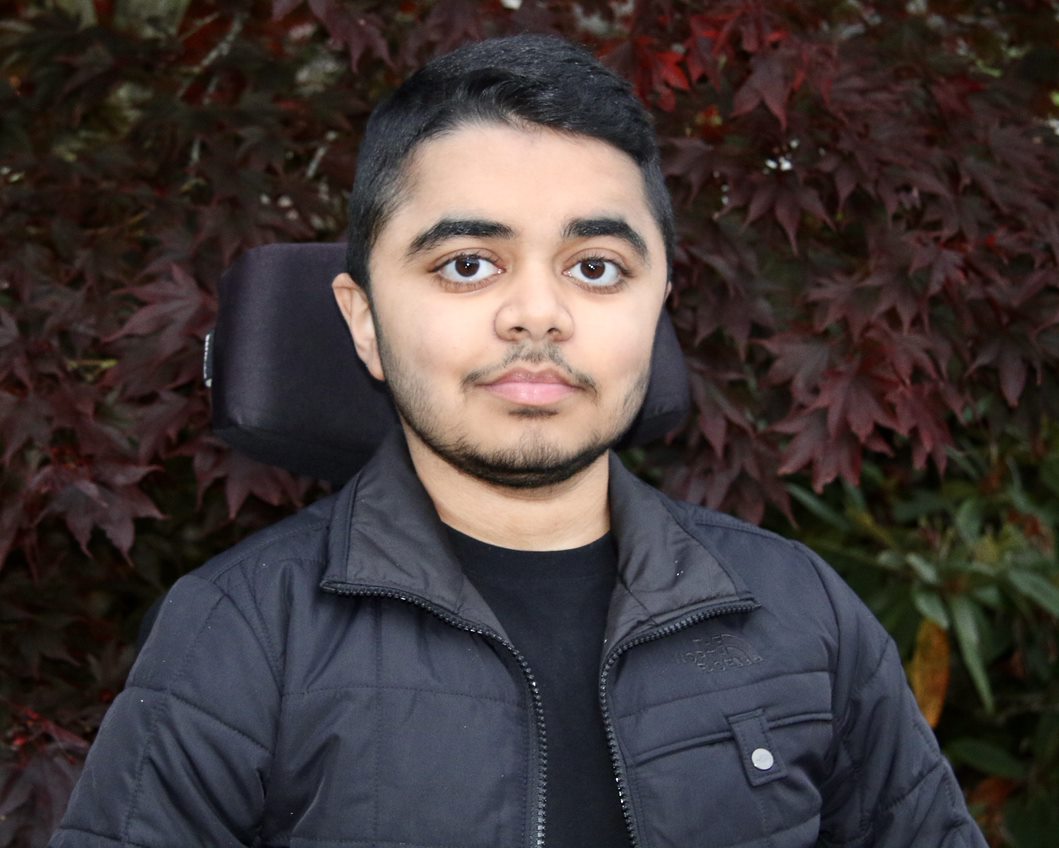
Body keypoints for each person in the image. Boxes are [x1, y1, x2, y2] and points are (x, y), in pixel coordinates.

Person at [52, 34, 987, 848]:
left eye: (595, 267)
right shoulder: (243, 634)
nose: (536, 313)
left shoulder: (798, 612)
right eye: (466, 265)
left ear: (658, 303)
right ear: (364, 320)